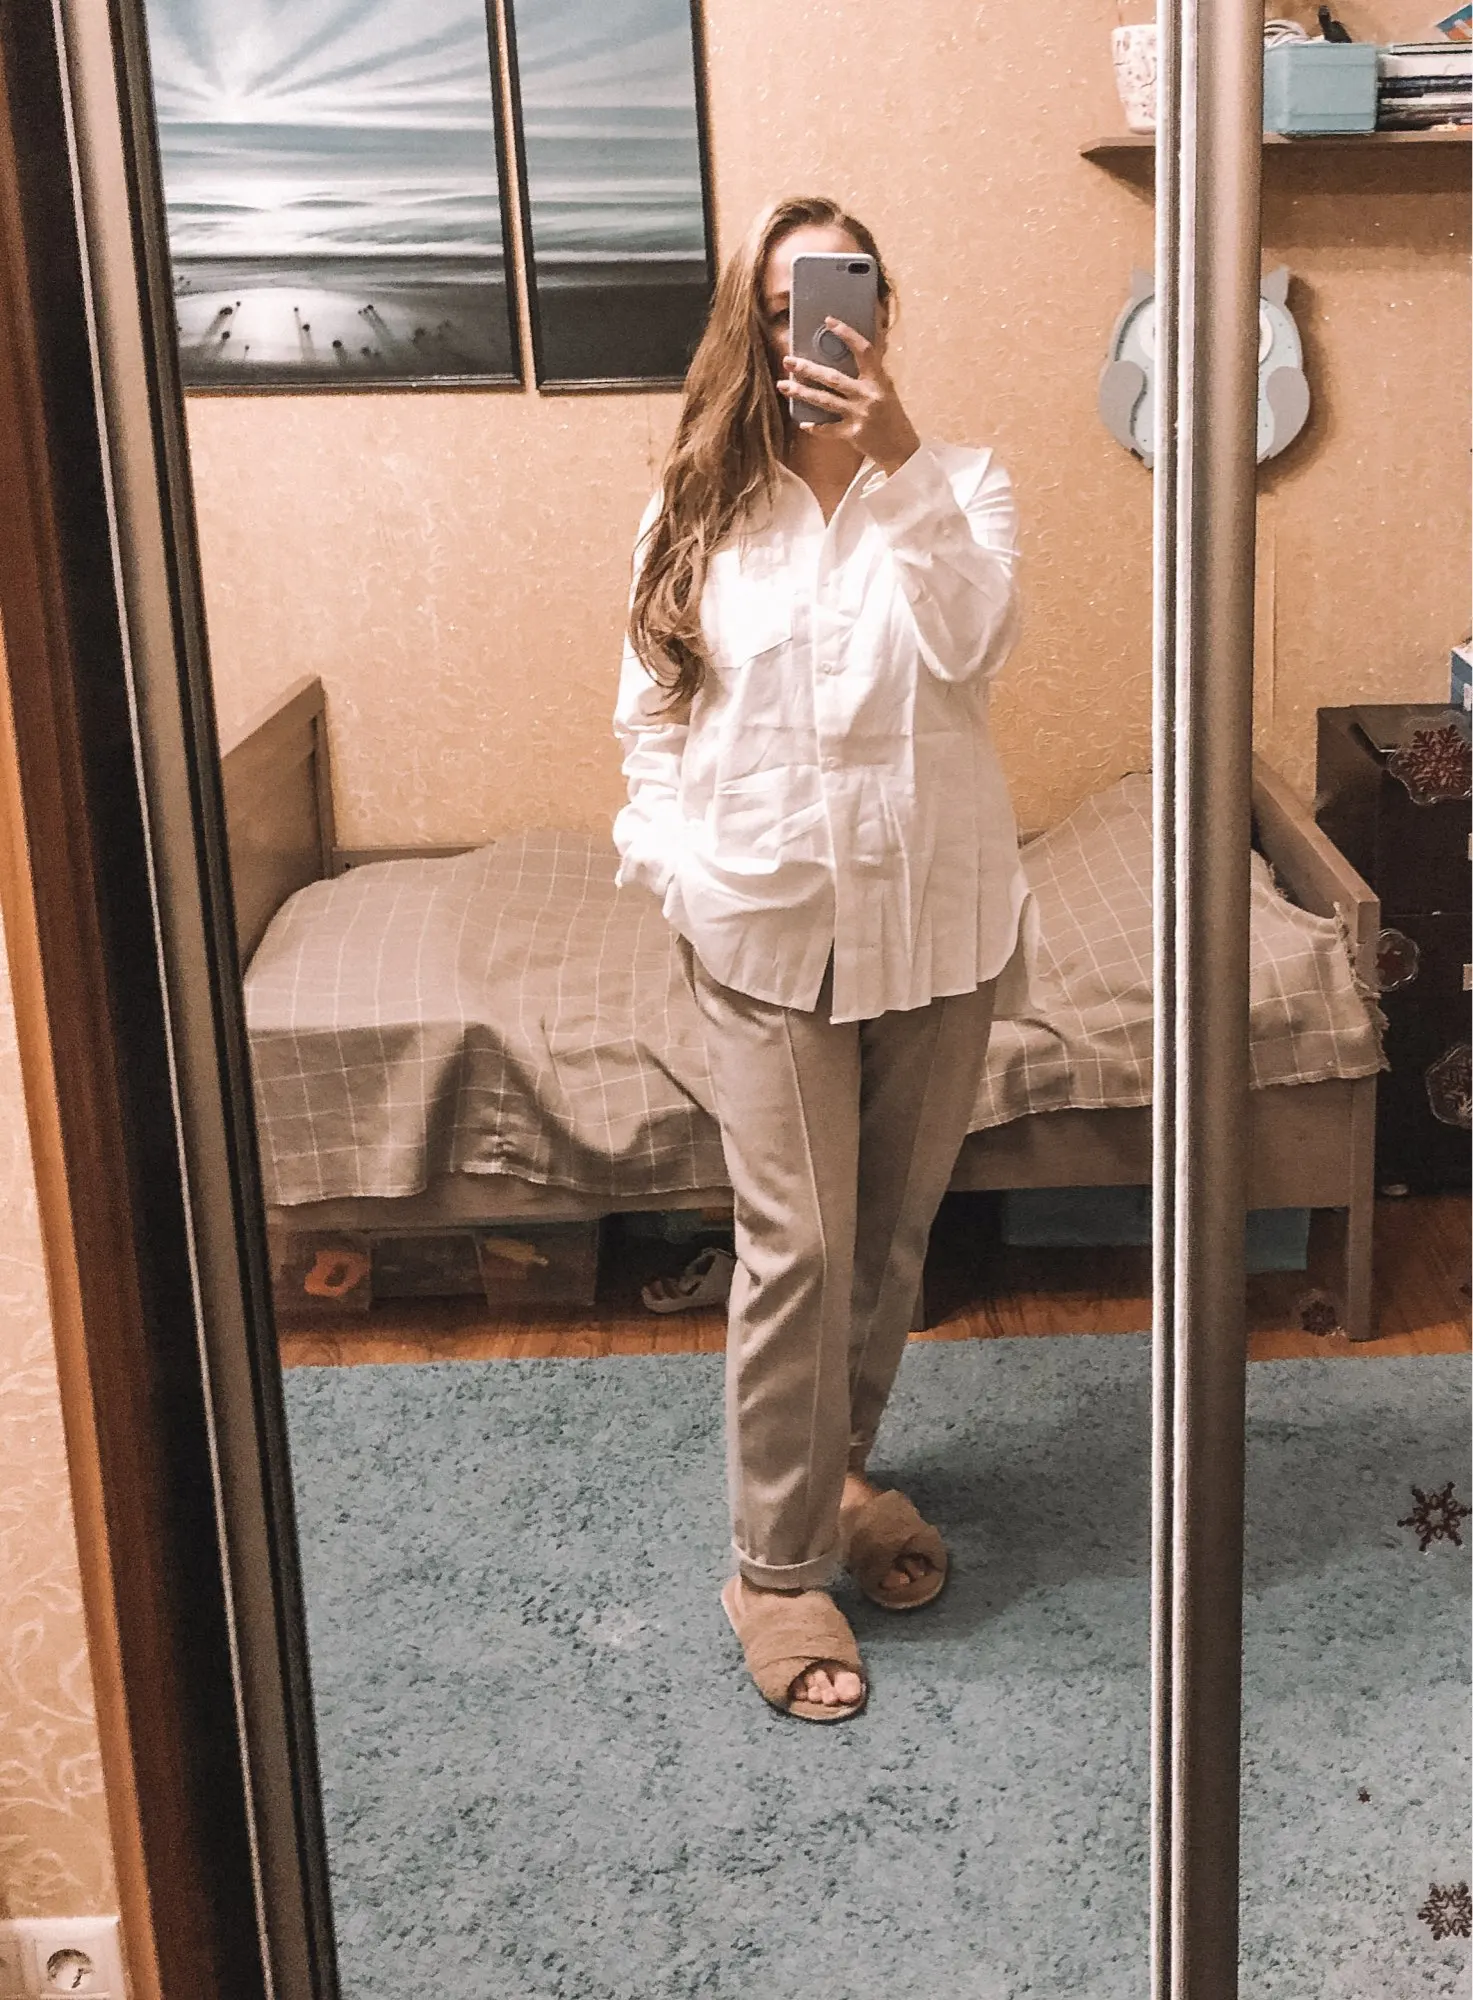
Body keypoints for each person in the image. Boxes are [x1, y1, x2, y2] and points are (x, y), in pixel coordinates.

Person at [612, 194, 1028, 1723]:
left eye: (841, 295)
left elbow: (973, 646)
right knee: (797, 1248)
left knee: (891, 1239)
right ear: (754, 324)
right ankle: (773, 1569)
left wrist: (899, 460)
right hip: (766, 928)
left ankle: (839, 1477)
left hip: (938, 921)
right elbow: (651, 715)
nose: (816, 328)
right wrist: (679, 870)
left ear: (880, 310)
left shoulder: (965, 486)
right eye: (786, 303)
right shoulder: (696, 508)